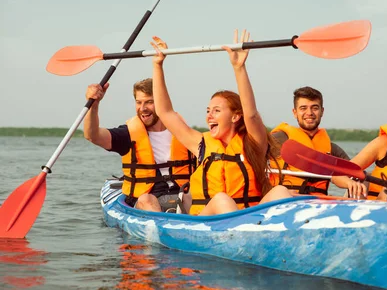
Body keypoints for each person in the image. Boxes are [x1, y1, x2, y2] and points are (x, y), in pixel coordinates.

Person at [150, 30, 294, 216]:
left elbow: (251, 115)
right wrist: (157, 65)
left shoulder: (254, 144)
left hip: (250, 220)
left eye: (217, 111)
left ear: (235, 116)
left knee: (281, 191)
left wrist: (239, 68)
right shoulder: (201, 144)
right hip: (207, 221)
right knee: (222, 199)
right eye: (208, 111)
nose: (209, 116)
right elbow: (165, 112)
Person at [84, 78, 196, 212]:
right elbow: (92, 135)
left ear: (161, 102)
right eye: (139, 102)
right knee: (146, 200)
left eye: (149, 102)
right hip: (145, 199)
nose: (143, 108)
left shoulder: (182, 132)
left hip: (181, 194)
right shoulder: (128, 134)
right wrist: (94, 105)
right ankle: (159, 229)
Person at [269, 86, 350, 195]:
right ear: (295, 112)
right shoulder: (278, 139)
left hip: (318, 204)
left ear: (322, 111)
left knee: (361, 180)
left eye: (315, 108)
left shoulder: (332, 149)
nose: (309, 113)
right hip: (285, 202)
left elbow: (354, 172)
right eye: (303, 108)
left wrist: (353, 183)